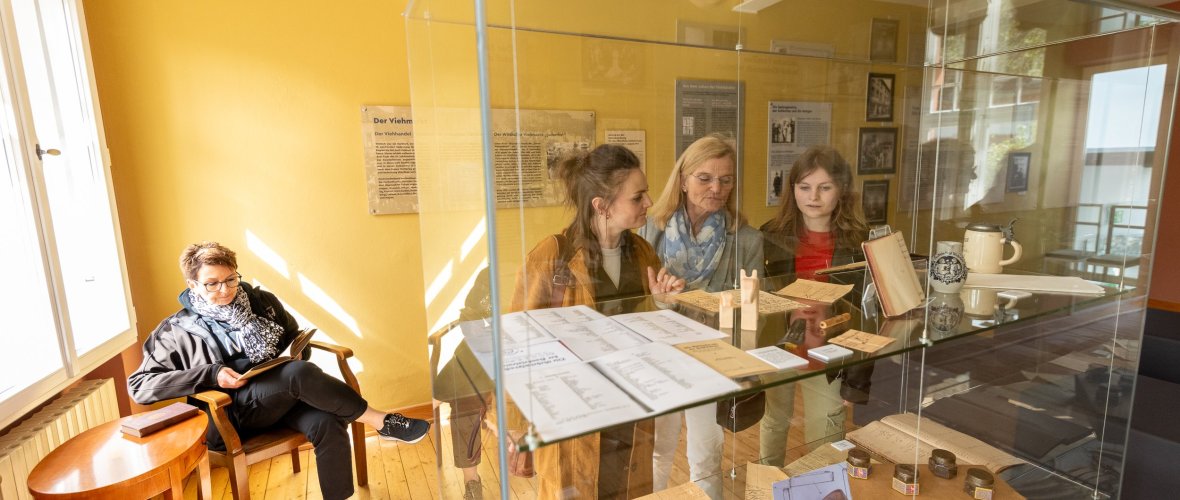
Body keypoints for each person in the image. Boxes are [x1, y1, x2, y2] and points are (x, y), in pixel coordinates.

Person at [128, 241, 430, 500]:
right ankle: (381, 421)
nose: (225, 289)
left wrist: (294, 350)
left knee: (326, 420)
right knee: (299, 373)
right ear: (192, 284)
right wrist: (210, 374)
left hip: (280, 400)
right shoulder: (175, 330)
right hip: (231, 414)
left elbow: (294, 340)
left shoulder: (261, 302)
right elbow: (139, 387)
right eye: (212, 283)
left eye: (231, 279)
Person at [511, 143, 685, 499]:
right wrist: (515, 427)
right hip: (573, 420)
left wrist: (663, 305)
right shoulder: (551, 256)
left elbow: (646, 334)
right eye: (638, 197)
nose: (649, 202)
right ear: (601, 205)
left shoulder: (643, 252)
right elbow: (516, 343)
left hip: (632, 412)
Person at [638, 133, 762, 498]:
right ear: (682, 180)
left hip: (712, 358)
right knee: (659, 450)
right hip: (661, 357)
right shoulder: (650, 231)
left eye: (726, 179)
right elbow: (638, 307)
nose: (716, 188)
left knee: (705, 454)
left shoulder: (747, 239)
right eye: (705, 178)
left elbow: (755, 310)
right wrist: (662, 300)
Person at [758, 146, 871, 465]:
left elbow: (871, 318)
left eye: (825, 187)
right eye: (804, 187)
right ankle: (768, 490)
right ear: (792, 189)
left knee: (826, 440)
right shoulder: (770, 235)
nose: (813, 197)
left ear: (842, 191)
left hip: (831, 355)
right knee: (774, 423)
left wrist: (857, 383)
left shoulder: (859, 242)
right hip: (780, 349)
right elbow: (755, 298)